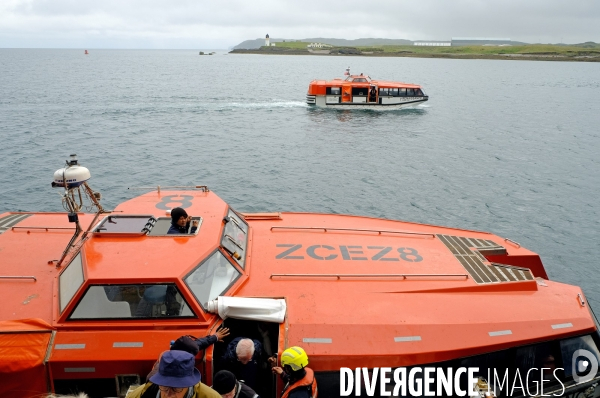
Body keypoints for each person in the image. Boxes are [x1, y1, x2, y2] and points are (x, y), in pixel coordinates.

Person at [127, 350, 221, 398]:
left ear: (189, 385)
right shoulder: (139, 395)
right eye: (164, 387)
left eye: (177, 388)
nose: (169, 394)